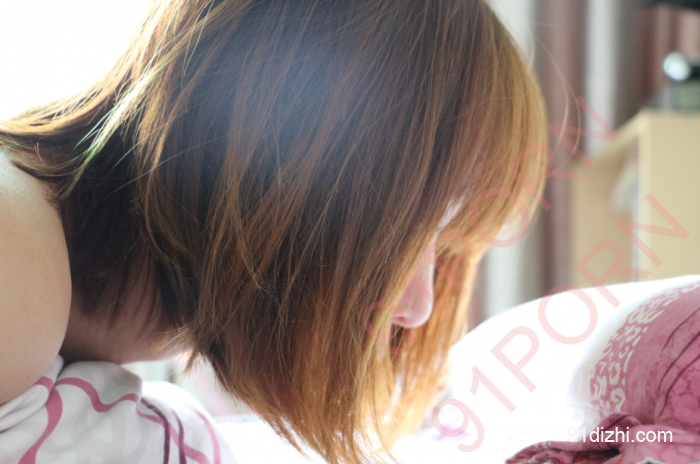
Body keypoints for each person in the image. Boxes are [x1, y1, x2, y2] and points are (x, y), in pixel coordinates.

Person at [0, 0, 546, 462]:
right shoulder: (15, 258)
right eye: (413, 230)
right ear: (293, 156)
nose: (420, 307)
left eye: (441, 245)